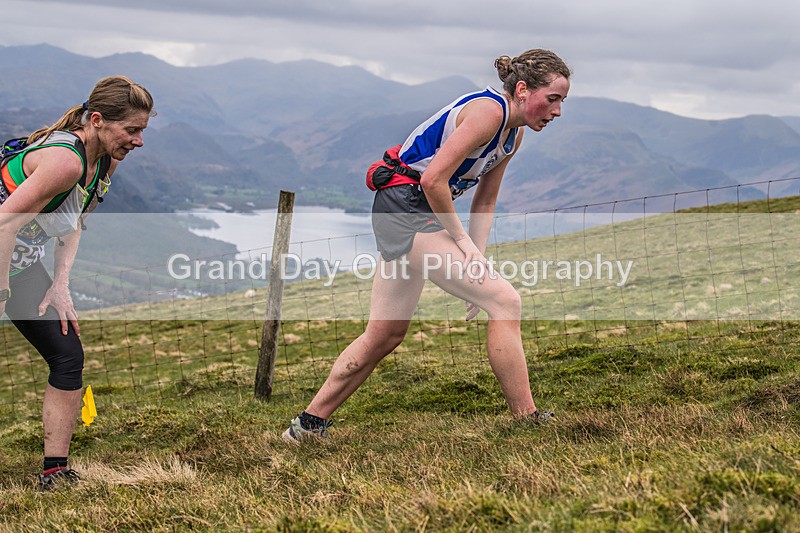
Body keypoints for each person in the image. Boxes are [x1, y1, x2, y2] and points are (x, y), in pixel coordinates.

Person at [283, 49, 571, 442]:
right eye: (552, 99)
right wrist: (463, 244)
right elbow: (432, 180)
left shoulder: (512, 135)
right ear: (522, 90)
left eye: (562, 101)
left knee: (384, 335)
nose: (557, 111)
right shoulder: (488, 113)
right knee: (506, 302)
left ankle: (307, 426)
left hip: (412, 211)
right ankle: (527, 419)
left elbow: (485, 201)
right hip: (405, 208)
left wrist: (477, 260)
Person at [0, 76, 155, 489]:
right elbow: (4, 223)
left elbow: (75, 220)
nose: (139, 141)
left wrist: (61, 284)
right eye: (132, 130)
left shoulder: (105, 160)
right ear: (98, 120)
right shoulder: (65, 161)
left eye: (142, 130)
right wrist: (1, 294)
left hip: (19, 265)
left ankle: (55, 472)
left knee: (67, 354)